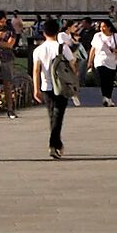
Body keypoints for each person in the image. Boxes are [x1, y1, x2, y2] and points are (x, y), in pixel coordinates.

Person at [31, 23, 78, 159]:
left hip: (46, 86)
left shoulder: (38, 50)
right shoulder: (62, 48)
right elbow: (72, 65)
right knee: (58, 115)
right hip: (62, 86)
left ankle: (57, 143)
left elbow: (36, 70)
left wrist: (36, 88)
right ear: (57, 32)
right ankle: (54, 144)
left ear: (44, 33)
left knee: (53, 115)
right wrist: (74, 81)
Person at [88, 20, 117, 105]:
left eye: (104, 26)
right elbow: (93, 49)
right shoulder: (97, 36)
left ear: (109, 27)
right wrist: (90, 61)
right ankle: (105, 97)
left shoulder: (116, 37)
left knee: (110, 80)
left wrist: (115, 50)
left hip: (112, 62)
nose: (102, 29)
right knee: (103, 79)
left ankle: (108, 98)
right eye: (100, 27)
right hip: (100, 61)